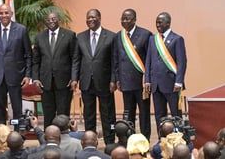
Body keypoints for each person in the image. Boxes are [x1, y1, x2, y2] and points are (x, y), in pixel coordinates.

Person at [71, 8, 116, 145]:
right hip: (86, 82)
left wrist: (114, 79)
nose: (90, 20)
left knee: (107, 114)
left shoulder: (111, 36)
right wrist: (74, 78)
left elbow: (114, 61)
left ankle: (109, 142)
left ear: (99, 18)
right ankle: (90, 142)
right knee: (88, 115)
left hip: (105, 82)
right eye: (88, 17)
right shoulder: (80, 37)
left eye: (93, 17)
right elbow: (76, 60)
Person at [0, 4, 32, 125]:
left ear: (11, 14)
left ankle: (17, 135)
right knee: (0, 109)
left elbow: (28, 55)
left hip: (16, 76)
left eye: (6, 13)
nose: (4, 15)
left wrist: (27, 75)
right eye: (1, 13)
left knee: (17, 108)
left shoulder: (21, 30)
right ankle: (1, 133)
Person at [32, 12, 77, 129]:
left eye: (54, 19)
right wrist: (36, 79)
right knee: (48, 115)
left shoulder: (69, 35)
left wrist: (74, 78)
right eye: (48, 20)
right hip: (45, 83)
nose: (51, 21)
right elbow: (35, 61)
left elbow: (74, 59)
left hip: (64, 82)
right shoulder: (39, 37)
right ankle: (49, 140)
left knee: (63, 114)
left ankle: (63, 139)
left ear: (59, 20)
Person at [113, 8, 152, 140]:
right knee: (128, 113)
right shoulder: (119, 36)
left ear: (135, 20)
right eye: (123, 18)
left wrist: (148, 79)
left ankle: (145, 139)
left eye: (128, 18)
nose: (125, 21)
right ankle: (130, 138)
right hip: (125, 81)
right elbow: (116, 59)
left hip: (141, 83)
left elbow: (149, 59)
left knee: (144, 113)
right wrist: (117, 78)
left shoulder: (145, 34)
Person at [145, 12, 187, 133]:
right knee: (159, 115)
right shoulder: (153, 39)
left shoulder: (177, 39)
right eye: (157, 22)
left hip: (172, 84)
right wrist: (147, 79)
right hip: (156, 85)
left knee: (176, 114)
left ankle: (179, 138)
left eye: (160, 22)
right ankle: (161, 138)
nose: (158, 24)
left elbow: (182, 62)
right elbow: (148, 61)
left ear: (168, 23)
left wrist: (179, 81)